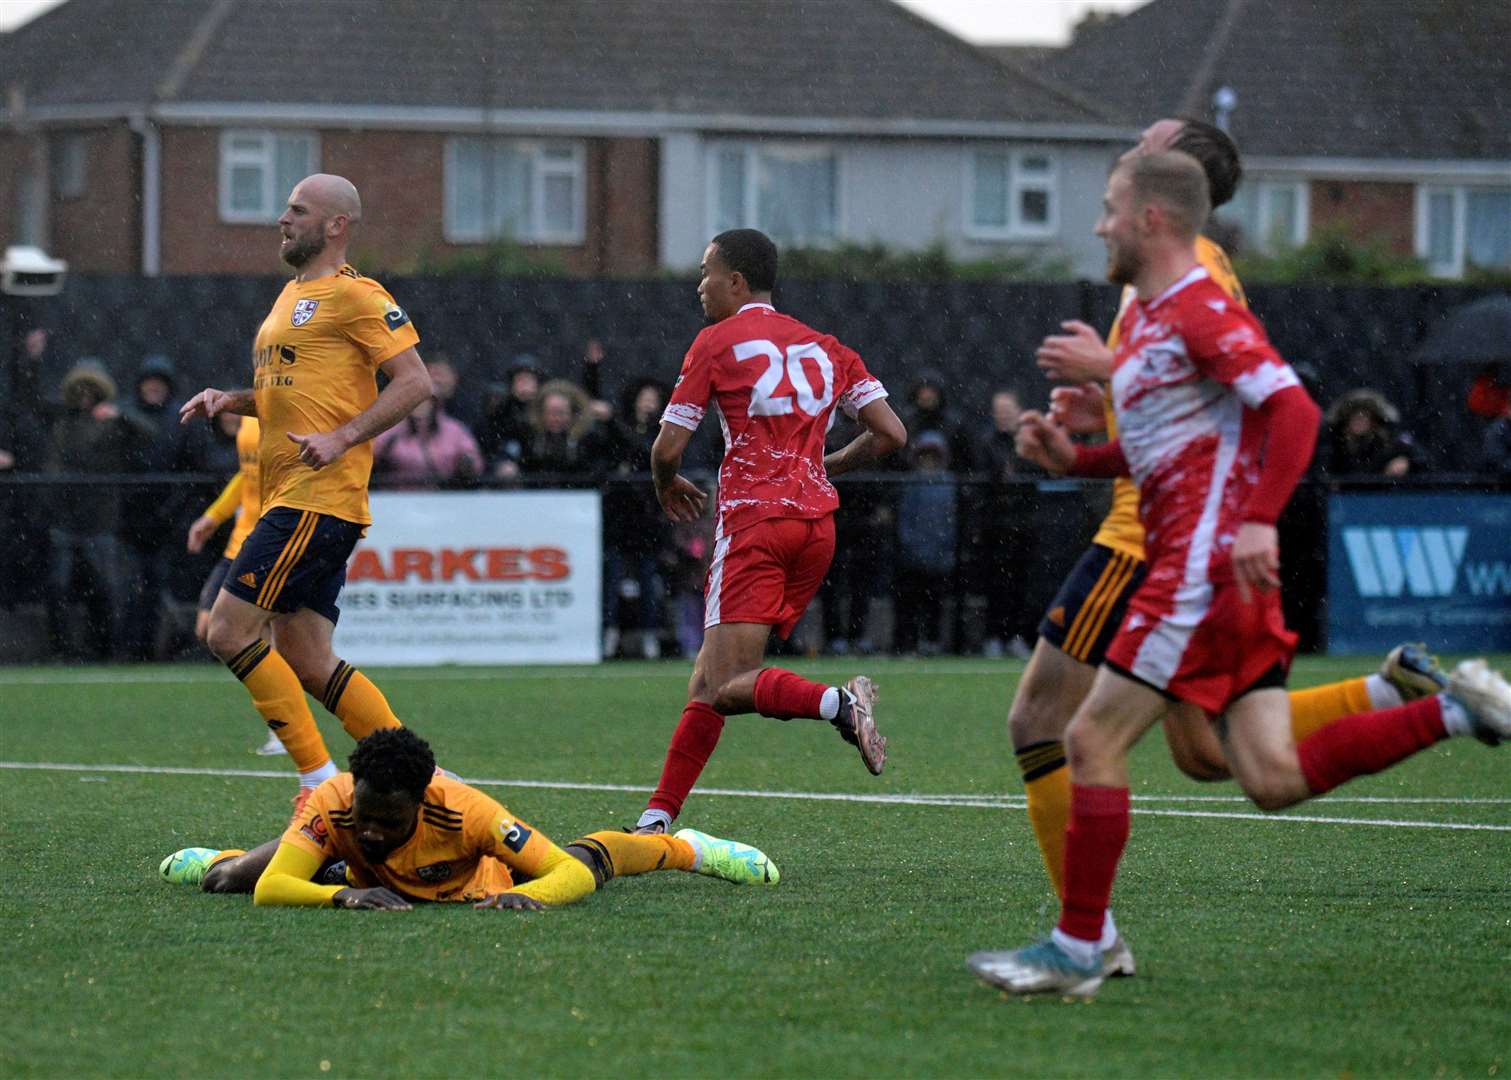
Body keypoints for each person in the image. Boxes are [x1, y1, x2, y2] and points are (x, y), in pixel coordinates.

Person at [968, 150, 1511, 998]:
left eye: (1110, 208)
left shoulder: (1196, 307)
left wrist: (1257, 518)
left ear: (1151, 217)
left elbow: (1290, 405)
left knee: (1086, 739)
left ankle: (1079, 947)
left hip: (1192, 570)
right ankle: (1450, 711)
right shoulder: (1146, 319)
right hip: (1217, 578)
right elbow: (1153, 449)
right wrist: (1072, 457)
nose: (1099, 224)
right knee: (1265, 776)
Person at [633, 229, 908, 835]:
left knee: (729, 682)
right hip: (816, 527)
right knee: (708, 679)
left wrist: (664, 483)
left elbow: (667, 447)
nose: (699, 284)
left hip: (756, 521)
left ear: (735, 281)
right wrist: (825, 464)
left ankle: (840, 704)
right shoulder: (828, 346)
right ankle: (657, 816)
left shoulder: (716, 341)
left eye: (707, 271)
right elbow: (892, 434)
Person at [178, 173, 433, 815]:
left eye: (297, 209)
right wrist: (231, 401)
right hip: (295, 501)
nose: (281, 219)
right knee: (307, 657)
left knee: (229, 631)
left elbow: (414, 383)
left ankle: (317, 778)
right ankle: (410, 772)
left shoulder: (357, 295)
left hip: (316, 499)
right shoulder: (290, 295)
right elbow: (287, 397)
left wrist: (344, 436)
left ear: (335, 224)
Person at [159, 728, 777, 908]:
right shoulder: (340, 802)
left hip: (473, 882)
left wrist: (534, 898)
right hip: (363, 879)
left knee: (594, 859)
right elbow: (273, 891)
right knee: (232, 883)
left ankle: (688, 849)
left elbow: (568, 875)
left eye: (385, 818)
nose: (369, 825)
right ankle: (218, 858)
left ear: (423, 800)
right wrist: (346, 900)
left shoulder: (469, 813)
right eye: (364, 814)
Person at [185, 414, 283, 756]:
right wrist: (213, 516)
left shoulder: (285, 415)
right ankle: (283, 724)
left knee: (264, 633)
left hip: (271, 541)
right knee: (211, 627)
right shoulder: (249, 423)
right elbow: (248, 477)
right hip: (240, 543)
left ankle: (282, 729)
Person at [44, 359, 151, 659]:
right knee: (58, 587)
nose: (85, 395)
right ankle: (63, 650)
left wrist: (122, 416)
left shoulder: (112, 422)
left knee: (107, 588)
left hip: (101, 520)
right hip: (65, 519)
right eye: (80, 389)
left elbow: (149, 434)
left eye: (91, 389)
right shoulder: (63, 424)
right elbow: (54, 463)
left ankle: (107, 648)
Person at [371, 393, 483, 488]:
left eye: (425, 401)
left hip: (445, 496)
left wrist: (467, 464)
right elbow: (371, 457)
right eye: (416, 401)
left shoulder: (454, 429)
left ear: (435, 404)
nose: (421, 406)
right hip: (395, 497)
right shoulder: (392, 428)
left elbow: (473, 461)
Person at [1319, 388, 1428, 477]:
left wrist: (1407, 462)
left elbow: (1423, 459)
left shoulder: (1390, 442)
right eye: (1355, 417)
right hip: (1342, 499)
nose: (1359, 421)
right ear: (1346, 420)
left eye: (1364, 417)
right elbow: (1321, 469)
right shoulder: (1333, 443)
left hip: (1381, 498)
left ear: (1374, 421)